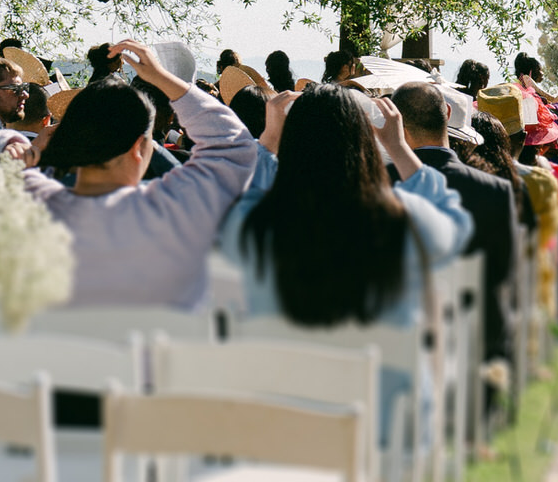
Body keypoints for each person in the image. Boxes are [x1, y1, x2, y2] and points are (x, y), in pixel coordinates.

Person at [220, 84, 471, 449]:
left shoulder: (255, 229)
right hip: (384, 438)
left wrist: (268, 141)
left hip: (284, 433)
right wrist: (400, 148)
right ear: (367, 145)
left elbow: (247, 197)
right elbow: (455, 224)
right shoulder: (404, 220)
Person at [11, 41, 256, 308]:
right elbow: (232, 145)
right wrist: (162, 78)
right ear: (140, 147)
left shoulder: (30, 201)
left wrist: (26, 161)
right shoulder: (171, 208)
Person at [391, 82, 518, 366]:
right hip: (477, 346)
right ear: (448, 114)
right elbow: (505, 272)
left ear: (396, 124)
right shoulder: (495, 191)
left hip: (400, 346)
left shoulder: (377, 183)